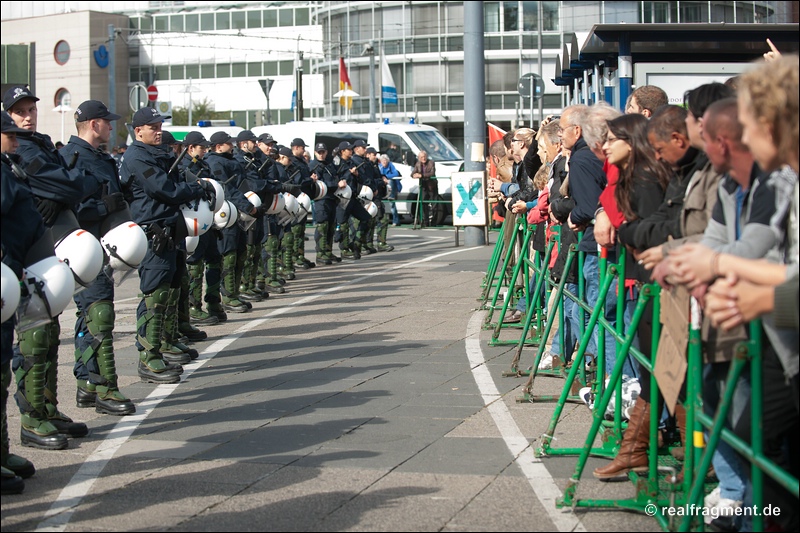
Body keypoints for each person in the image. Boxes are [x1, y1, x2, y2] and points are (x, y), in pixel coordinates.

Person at [5, 85, 88, 450]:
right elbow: (67, 186)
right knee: (32, 342)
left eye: (30, 109)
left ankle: (46, 408)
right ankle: (31, 418)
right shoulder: (23, 152)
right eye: (18, 112)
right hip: (17, 266)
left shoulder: (26, 151)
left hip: (40, 255)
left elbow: (72, 186)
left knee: (49, 337)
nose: (27, 116)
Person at [119, 107, 215, 383]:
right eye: (153, 127)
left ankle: (165, 343)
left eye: (160, 125)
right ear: (138, 131)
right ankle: (149, 357)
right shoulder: (137, 157)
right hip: (153, 233)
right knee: (154, 295)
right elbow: (165, 189)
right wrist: (198, 188)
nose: (159, 130)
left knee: (172, 289)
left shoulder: (156, 154)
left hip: (170, 230)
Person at [61, 100, 136, 416]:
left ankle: (87, 383)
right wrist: (105, 206)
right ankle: (106, 387)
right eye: (107, 122)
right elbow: (69, 209)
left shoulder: (101, 157)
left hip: (106, 248)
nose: (111, 126)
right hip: (84, 250)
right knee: (100, 316)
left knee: (90, 317)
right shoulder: (71, 158)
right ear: (94, 124)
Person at [1, 110, 39, 493]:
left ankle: (2, 449)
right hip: (2, 273)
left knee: (1, 370)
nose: (14, 137)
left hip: (13, 274)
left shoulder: (8, 166)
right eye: (7, 132)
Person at [180, 131, 226, 325]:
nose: (205, 150)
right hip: (194, 220)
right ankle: (193, 306)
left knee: (215, 259)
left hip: (209, 218)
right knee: (195, 264)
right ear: (190, 149)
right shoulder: (183, 167)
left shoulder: (204, 165)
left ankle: (213, 302)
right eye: (201, 147)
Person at [309, 142, 340, 265]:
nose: (321, 154)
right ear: (315, 152)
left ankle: (328, 250)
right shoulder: (313, 166)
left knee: (330, 226)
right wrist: (335, 184)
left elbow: (334, 177)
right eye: (319, 152)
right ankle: (320, 253)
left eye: (323, 152)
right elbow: (324, 182)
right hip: (321, 199)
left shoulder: (329, 164)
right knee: (322, 226)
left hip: (332, 198)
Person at [366, 147, 393, 252]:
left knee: (376, 219)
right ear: (368, 155)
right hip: (371, 195)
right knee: (379, 219)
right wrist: (382, 182)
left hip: (377, 195)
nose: (375, 156)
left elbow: (377, 176)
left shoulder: (374, 165)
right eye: (373, 154)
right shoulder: (367, 166)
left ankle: (370, 243)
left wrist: (383, 177)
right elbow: (370, 180)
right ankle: (379, 243)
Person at [411, 150, 436, 226]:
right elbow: (412, 173)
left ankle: (434, 222)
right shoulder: (418, 164)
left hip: (432, 185)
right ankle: (425, 221)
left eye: (424, 156)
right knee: (423, 203)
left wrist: (421, 175)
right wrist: (414, 175)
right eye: (421, 157)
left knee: (434, 204)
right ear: (419, 158)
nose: (423, 158)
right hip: (423, 185)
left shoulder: (431, 162)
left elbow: (432, 173)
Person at [379, 154, 402, 226]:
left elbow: (396, 173)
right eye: (383, 161)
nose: (384, 162)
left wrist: (386, 177)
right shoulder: (379, 166)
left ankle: (396, 220)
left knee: (392, 204)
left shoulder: (391, 165)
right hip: (382, 187)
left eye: (385, 160)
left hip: (391, 187)